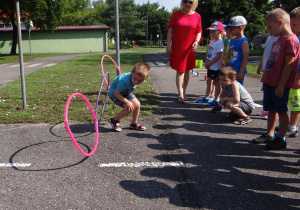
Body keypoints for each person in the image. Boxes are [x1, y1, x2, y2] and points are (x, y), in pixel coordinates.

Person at [252, 8, 300, 150]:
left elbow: (289, 65)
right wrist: (266, 80)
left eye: (270, 27)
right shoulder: (278, 39)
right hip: (270, 81)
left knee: (281, 110)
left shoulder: (291, 40)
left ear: (280, 22)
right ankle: (270, 134)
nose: (269, 30)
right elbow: (272, 62)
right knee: (271, 108)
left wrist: (281, 85)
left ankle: (282, 138)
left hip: (280, 84)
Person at [166, 0, 202, 104]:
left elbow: (199, 31)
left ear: (194, 3)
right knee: (180, 70)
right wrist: (169, 45)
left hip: (190, 48)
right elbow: (170, 30)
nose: (187, 3)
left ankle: (184, 92)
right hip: (178, 47)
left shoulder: (197, 16)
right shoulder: (176, 14)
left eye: (190, 1)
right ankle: (180, 94)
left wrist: (196, 41)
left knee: (187, 71)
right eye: (185, 1)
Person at [108, 62, 150, 132]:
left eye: (140, 80)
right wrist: (127, 102)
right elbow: (116, 94)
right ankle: (114, 120)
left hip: (125, 92)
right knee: (130, 107)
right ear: (132, 73)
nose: (136, 82)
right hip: (115, 95)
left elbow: (128, 89)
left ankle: (134, 123)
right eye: (135, 79)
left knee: (137, 104)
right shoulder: (125, 81)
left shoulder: (135, 76)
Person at [196, 21, 225, 106]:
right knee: (209, 82)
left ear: (219, 31)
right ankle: (207, 97)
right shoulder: (213, 42)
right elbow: (210, 54)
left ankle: (216, 99)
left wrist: (210, 63)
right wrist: (206, 62)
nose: (211, 33)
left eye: (213, 31)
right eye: (210, 31)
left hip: (215, 67)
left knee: (216, 84)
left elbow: (218, 56)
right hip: (210, 66)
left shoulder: (220, 42)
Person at [285, 7, 300, 138]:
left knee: (296, 103)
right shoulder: (295, 37)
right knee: (291, 101)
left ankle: (293, 127)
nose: (292, 27)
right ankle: (290, 123)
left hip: (297, 78)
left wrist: (298, 78)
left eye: (294, 24)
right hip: (292, 76)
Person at [256, 34, 279, 118]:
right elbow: (265, 53)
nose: (269, 29)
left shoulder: (279, 38)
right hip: (266, 68)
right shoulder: (269, 38)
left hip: (274, 70)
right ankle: (267, 110)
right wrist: (260, 66)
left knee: (274, 92)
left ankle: (275, 113)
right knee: (266, 90)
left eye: (270, 26)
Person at [226, 16, 249, 85]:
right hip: (229, 69)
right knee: (228, 88)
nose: (229, 30)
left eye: (231, 29)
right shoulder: (232, 40)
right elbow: (229, 54)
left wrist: (241, 72)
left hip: (237, 71)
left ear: (240, 28)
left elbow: (245, 57)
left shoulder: (244, 41)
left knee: (236, 89)